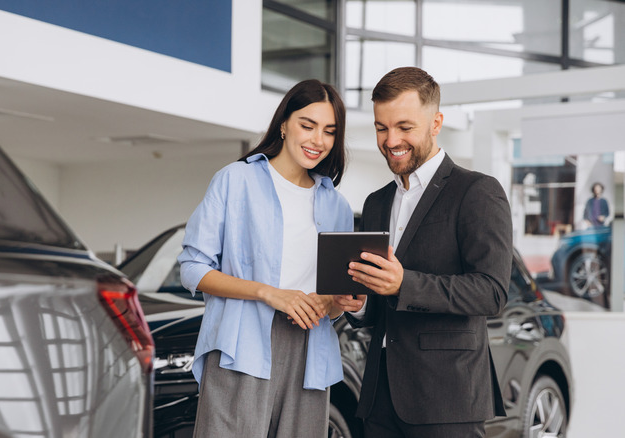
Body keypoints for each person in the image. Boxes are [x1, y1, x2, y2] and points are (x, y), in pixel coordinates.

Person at [333, 67, 512, 438]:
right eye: (382, 128)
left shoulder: (477, 191)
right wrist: (360, 303)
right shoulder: (376, 202)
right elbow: (377, 304)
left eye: (404, 127)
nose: (391, 139)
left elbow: (492, 292)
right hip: (379, 396)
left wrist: (404, 284)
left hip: (447, 397)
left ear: (436, 123)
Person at [178, 79, 353, 438]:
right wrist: (269, 292)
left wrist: (340, 302)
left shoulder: (337, 206)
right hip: (242, 343)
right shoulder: (235, 180)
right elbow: (193, 269)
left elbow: (334, 306)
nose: (317, 140)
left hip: (310, 351)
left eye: (329, 131)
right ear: (284, 124)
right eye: (307, 125)